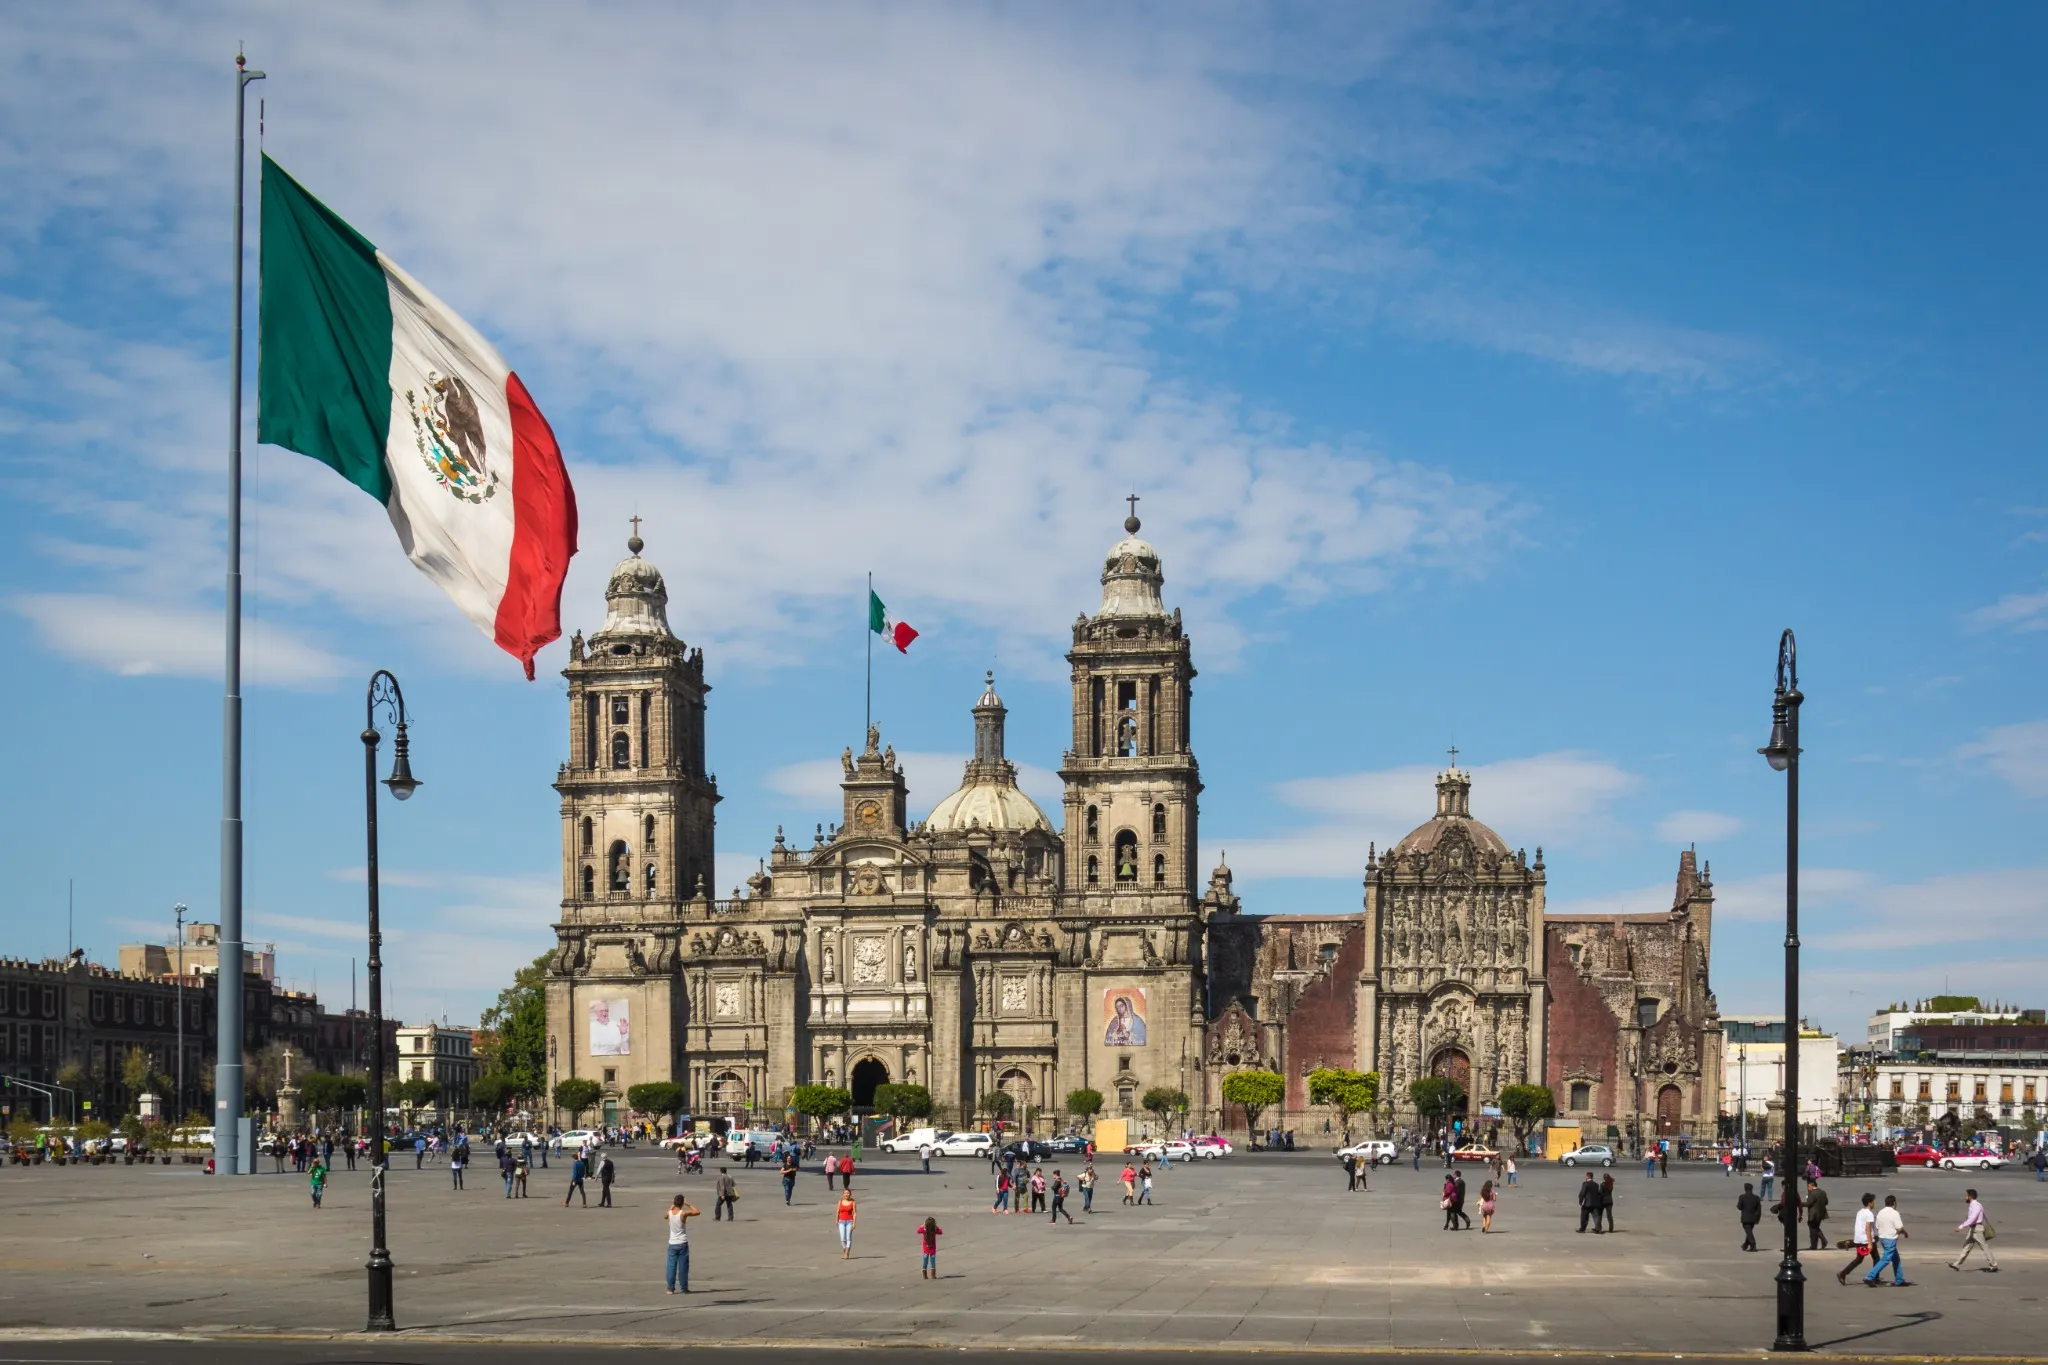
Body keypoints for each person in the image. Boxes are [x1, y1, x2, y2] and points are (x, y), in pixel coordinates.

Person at [1863, 1194, 1910, 1286]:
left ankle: (1899, 1279)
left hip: (1882, 1238)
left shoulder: (1880, 1212)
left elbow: (1877, 1226)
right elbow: (1899, 1228)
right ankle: (1870, 1276)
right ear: (1894, 1203)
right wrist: (1905, 1233)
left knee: (1896, 1258)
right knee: (1886, 1259)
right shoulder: (1894, 1213)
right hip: (1890, 1239)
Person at [1950, 1189, 1997, 1273]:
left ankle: (1993, 1265)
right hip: (1973, 1229)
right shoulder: (1974, 1205)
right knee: (1966, 1247)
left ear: (1970, 1196)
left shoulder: (1976, 1206)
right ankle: (1956, 1264)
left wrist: (1961, 1226)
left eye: (1966, 1196)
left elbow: (1972, 1219)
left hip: (1977, 1229)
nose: (1965, 1197)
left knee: (1984, 1247)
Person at [662, 1193, 699, 1294]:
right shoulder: (683, 1214)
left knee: (671, 1266)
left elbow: (665, 1216)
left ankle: (670, 1288)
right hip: (682, 1242)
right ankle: (684, 1287)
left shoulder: (669, 1213)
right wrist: (689, 1204)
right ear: (682, 1203)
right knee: (683, 1267)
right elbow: (697, 1212)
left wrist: (670, 1208)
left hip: (672, 1243)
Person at [1838, 1192, 1878, 1284]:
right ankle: (1874, 1277)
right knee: (1877, 1259)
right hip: (1866, 1240)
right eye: (1873, 1201)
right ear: (1870, 1203)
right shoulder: (1869, 1214)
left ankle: (1843, 1273)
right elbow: (1867, 1228)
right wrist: (1870, 1243)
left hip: (1858, 1239)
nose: (1874, 1203)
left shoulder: (1860, 1212)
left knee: (1859, 1259)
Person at [1737, 1182, 1763, 1251]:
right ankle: (1745, 1245)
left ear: (1745, 1189)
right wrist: (1758, 1219)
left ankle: (1753, 1245)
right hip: (1753, 1218)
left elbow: (1739, 1207)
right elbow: (1759, 1210)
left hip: (1745, 1218)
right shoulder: (1756, 1197)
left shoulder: (1742, 1197)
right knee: (1749, 1232)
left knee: (1749, 1232)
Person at [1805, 1179, 1830, 1251]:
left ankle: (1823, 1240)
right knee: (1815, 1228)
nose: (1808, 1188)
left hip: (1813, 1214)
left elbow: (1808, 1203)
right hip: (1821, 1213)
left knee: (1813, 1228)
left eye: (1809, 1186)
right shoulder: (1823, 1192)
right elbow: (1826, 1202)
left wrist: (1799, 1204)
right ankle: (1814, 1245)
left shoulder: (1812, 1193)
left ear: (1813, 1186)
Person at [917, 1215, 943, 1279]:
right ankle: (933, 1275)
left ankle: (924, 1275)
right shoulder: (934, 1230)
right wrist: (936, 1227)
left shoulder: (924, 1229)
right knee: (932, 1262)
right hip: (932, 1249)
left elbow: (918, 1231)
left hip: (925, 1249)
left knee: (925, 1262)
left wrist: (922, 1225)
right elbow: (940, 1232)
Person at [835, 1189, 858, 1258]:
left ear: (850, 1194)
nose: (846, 1194)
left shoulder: (852, 1202)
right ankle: (844, 1250)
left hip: (849, 1221)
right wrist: (836, 1220)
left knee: (848, 1238)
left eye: (848, 1193)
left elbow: (854, 1213)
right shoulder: (840, 1202)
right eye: (845, 1193)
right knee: (842, 1238)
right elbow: (838, 1211)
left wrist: (854, 1223)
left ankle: (847, 1253)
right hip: (841, 1221)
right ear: (843, 1194)